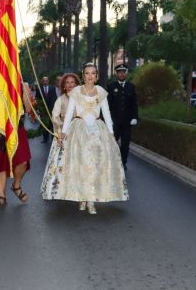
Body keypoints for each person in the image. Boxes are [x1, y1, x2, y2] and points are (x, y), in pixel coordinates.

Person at [59, 63, 129, 214]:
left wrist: (111, 134)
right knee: (81, 166)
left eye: (93, 73)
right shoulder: (76, 91)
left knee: (94, 166)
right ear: (83, 75)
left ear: (96, 76)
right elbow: (70, 112)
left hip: (97, 132)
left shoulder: (101, 92)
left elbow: (107, 114)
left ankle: (91, 200)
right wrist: (63, 132)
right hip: (78, 131)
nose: (90, 76)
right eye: (87, 73)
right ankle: (82, 198)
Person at [0, 84, 33, 209]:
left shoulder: (23, 85)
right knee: (0, 161)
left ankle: (16, 186)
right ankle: (2, 196)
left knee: (23, 160)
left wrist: (25, 91)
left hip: (17, 128)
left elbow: (28, 109)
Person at [41, 73, 79, 200]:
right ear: (63, 85)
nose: (69, 85)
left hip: (80, 135)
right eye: (67, 82)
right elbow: (54, 116)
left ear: (77, 84)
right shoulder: (61, 99)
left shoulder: (82, 99)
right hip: (64, 135)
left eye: (72, 82)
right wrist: (63, 127)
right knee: (61, 163)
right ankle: (59, 189)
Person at [107, 64, 138, 170]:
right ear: (116, 73)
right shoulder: (111, 86)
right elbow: (108, 104)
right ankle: (113, 162)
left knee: (125, 144)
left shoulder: (131, 86)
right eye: (119, 72)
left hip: (127, 122)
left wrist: (135, 117)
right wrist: (109, 118)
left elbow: (134, 104)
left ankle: (123, 162)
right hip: (115, 121)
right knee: (113, 143)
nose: (121, 74)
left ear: (126, 73)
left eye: (123, 72)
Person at [35, 76, 58, 143]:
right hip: (43, 111)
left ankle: (53, 137)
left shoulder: (52, 88)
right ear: (42, 81)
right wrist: (38, 109)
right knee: (44, 125)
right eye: (44, 80)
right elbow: (37, 99)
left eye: (46, 80)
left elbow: (55, 98)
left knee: (52, 124)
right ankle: (45, 138)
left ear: (48, 81)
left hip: (51, 109)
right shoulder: (39, 89)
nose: (45, 82)